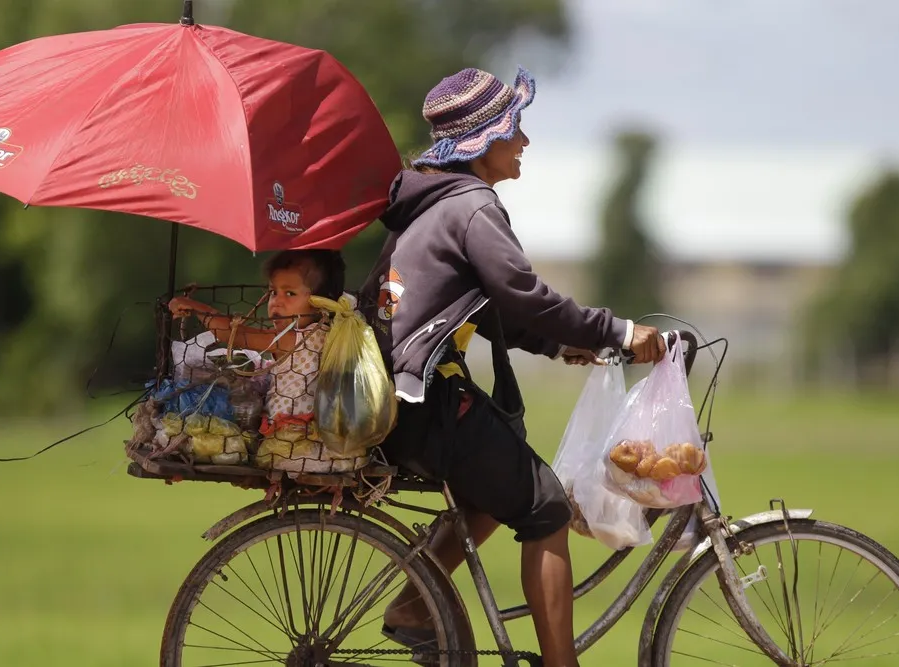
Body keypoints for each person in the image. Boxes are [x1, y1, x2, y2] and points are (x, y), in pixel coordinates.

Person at [359, 67, 666, 667]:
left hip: (403, 400)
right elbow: (525, 293)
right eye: (515, 127)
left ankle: (414, 603)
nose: (523, 140)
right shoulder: (472, 207)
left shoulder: (437, 204)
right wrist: (621, 333)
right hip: (424, 401)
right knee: (546, 506)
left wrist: (560, 346)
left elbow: (496, 306)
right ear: (483, 141)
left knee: (493, 493)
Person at [168, 250, 346, 462]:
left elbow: (237, 334)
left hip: (293, 445)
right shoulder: (329, 333)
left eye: (289, 294)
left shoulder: (299, 338)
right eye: (273, 292)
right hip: (306, 439)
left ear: (321, 302)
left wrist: (197, 308)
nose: (277, 302)